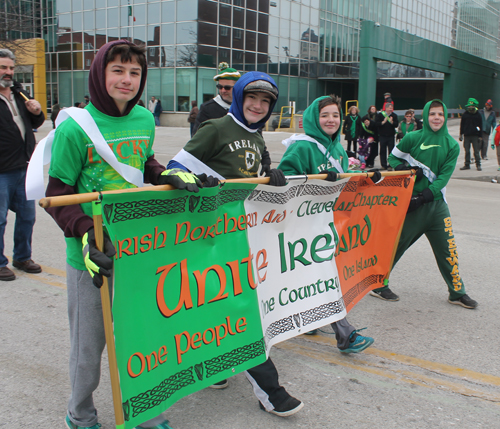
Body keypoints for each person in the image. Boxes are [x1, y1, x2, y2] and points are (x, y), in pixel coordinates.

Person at [45, 40, 202, 429]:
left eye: (134, 73)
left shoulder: (145, 121)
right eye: (118, 70)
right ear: (100, 72)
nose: (126, 79)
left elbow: (142, 162)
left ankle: (146, 410)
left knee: (141, 336)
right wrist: (84, 234)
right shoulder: (73, 127)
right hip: (91, 256)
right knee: (88, 347)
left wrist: (163, 173)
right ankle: (79, 413)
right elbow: (58, 193)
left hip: (138, 249)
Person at [169, 71, 304, 418]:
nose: (258, 106)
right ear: (239, 97)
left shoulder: (257, 138)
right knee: (242, 313)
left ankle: (214, 368)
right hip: (208, 237)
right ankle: (271, 393)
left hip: (242, 236)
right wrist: (195, 180)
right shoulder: (215, 128)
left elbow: (254, 178)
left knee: (222, 308)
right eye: (252, 98)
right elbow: (173, 169)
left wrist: (270, 181)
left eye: (265, 102)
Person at [277, 94, 376, 353]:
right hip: (303, 225)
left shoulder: (337, 147)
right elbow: (286, 180)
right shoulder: (302, 147)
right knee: (324, 278)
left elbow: (342, 174)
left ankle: (310, 319)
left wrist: (365, 176)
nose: (331, 120)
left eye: (335, 115)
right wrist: (317, 179)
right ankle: (346, 335)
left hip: (326, 222)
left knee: (312, 277)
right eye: (325, 115)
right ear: (313, 118)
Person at [370, 99, 478, 310]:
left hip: (436, 206)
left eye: (440, 114)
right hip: (411, 205)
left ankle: (457, 293)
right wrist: (404, 166)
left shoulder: (451, 144)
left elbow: (444, 177)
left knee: (449, 251)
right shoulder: (412, 138)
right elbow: (393, 158)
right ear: (426, 116)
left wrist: (426, 196)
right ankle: (378, 284)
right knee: (396, 246)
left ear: (445, 117)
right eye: (432, 114)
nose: (436, 118)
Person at [0, 48, 44, 281]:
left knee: (27, 215)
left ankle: (22, 257)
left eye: (10, 68)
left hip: (24, 166)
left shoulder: (20, 95)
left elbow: (35, 122)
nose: (8, 73)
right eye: (3, 68)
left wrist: (37, 113)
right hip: (1, 170)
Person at [192, 62, 241, 135]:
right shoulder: (207, 109)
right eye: (220, 87)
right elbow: (197, 137)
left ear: (238, 88)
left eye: (227, 87)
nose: (223, 90)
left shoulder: (245, 107)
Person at [459, 98, 482, 171]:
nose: (470, 109)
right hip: (466, 135)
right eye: (469, 107)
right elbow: (462, 125)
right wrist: (461, 134)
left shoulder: (478, 115)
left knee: (476, 151)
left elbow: (481, 126)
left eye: (472, 108)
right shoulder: (465, 114)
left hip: (475, 136)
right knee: (467, 151)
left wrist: (480, 136)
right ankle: (467, 164)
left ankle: (478, 164)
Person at [376, 102, 398, 170]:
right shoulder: (380, 115)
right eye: (389, 108)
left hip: (391, 136)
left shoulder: (394, 115)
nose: (391, 109)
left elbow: (396, 124)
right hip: (382, 136)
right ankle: (383, 165)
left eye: (392, 108)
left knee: (391, 151)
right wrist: (383, 122)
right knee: (382, 150)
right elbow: (376, 124)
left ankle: (390, 165)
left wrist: (392, 122)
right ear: (386, 108)